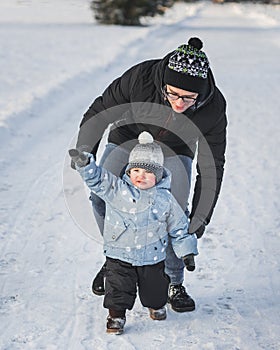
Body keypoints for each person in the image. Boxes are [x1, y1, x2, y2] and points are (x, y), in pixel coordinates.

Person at [75, 37, 227, 313]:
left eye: (189, 98)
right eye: (172, 93)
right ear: (162, 85)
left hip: (175, 148)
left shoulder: (213, 108)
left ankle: (173, 281)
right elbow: (100, 111)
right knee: (102, 198)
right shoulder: (140, 77)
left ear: (202, 93)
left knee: (176, 212)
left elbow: (212, 164)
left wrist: (201, 215)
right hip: (128, 137)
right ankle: (116, 261)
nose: (179, 103)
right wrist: (86, 148)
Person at [72, 132, 198, 334]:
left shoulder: (165, 199)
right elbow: (97, 179)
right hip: (120, 255)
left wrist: (187, 252)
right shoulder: (116, 189)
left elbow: (179, 227)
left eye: (148, 172)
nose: (140, 175)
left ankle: (156, 306)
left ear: (158, 175)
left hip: (153, 257)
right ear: (129, 172)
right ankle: (116, 317)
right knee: (118, 289)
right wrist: (85, 164)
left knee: (155, 291)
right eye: (136, 170)